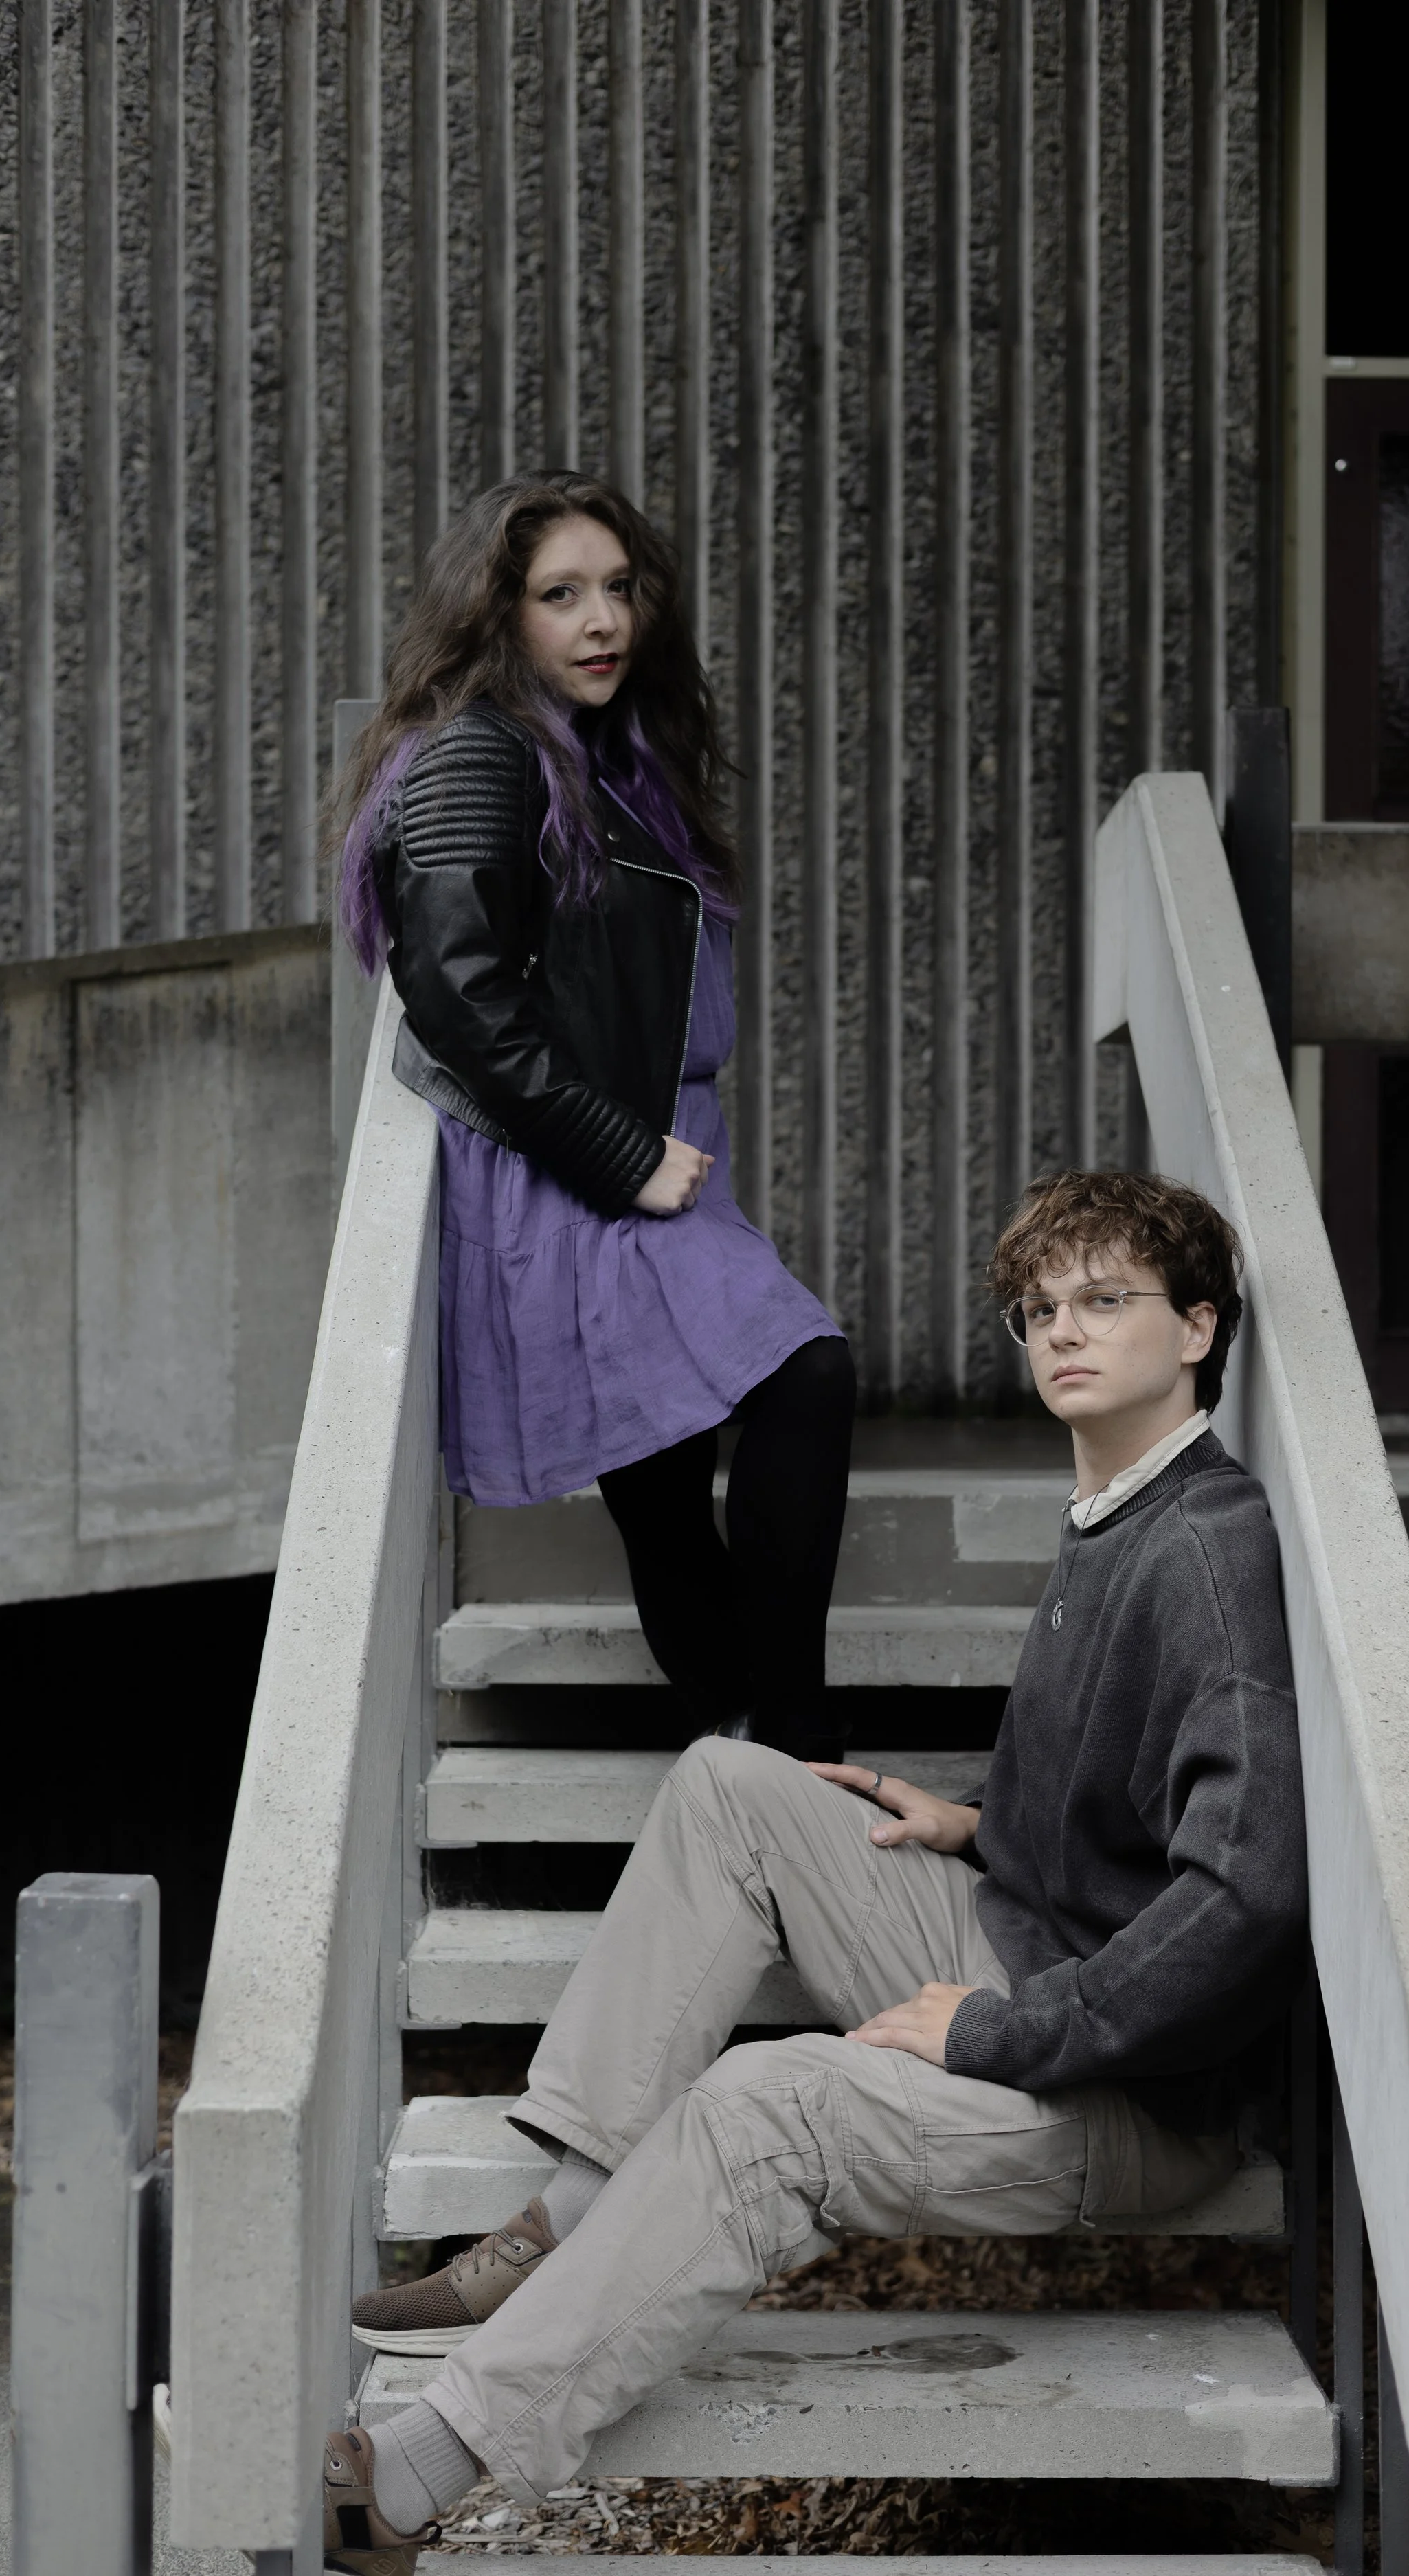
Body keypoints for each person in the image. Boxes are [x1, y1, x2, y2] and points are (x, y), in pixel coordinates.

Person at [321, 1168, 1309, 2575]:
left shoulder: (1208, 1553)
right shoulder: (1118, 1509)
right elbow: (1126, 1790)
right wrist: (981, 1823)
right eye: (1039, 1311)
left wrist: (1002, 2029)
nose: (1062, 1333)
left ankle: (412, 2483)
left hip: (1131, 2090)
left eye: (1105, 1300)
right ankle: (576, 2216)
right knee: (734, 1783)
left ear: (1198, 1326)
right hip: (1029, 1943)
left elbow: (1245, 1894)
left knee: (765, 2102)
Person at [332, 473, 854, 1763]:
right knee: (802, 1375)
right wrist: (622, 1157)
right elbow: (456, 991)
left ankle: (752, 1749)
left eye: (617, 588)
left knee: (664, 1485)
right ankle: (795, 1746)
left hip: (637, 1158)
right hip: (572, 1172)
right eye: (560, 594)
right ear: (495, 612)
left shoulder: (605, 757)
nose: (602, 619)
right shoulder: (478, 750)